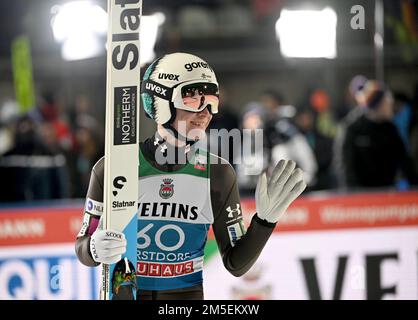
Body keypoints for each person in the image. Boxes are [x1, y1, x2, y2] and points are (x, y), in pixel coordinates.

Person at [75, 52, 306, 300]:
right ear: (161, 102)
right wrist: (93, 249)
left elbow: (236, 265)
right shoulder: (113, 168)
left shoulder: (218, 173)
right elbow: (83, 243)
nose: (206, 112)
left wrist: (265, 221)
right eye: (193, 99)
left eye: (211, 101)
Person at [342, 80, 418, 189]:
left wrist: (414, 187)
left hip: (386, 193)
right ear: (378, 105)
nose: (391, 105)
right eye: (388, 102)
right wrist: (354, 195)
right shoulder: (353, 129)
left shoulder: (391, 129)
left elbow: (405, 161)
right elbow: (346, 168)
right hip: (361, 195)